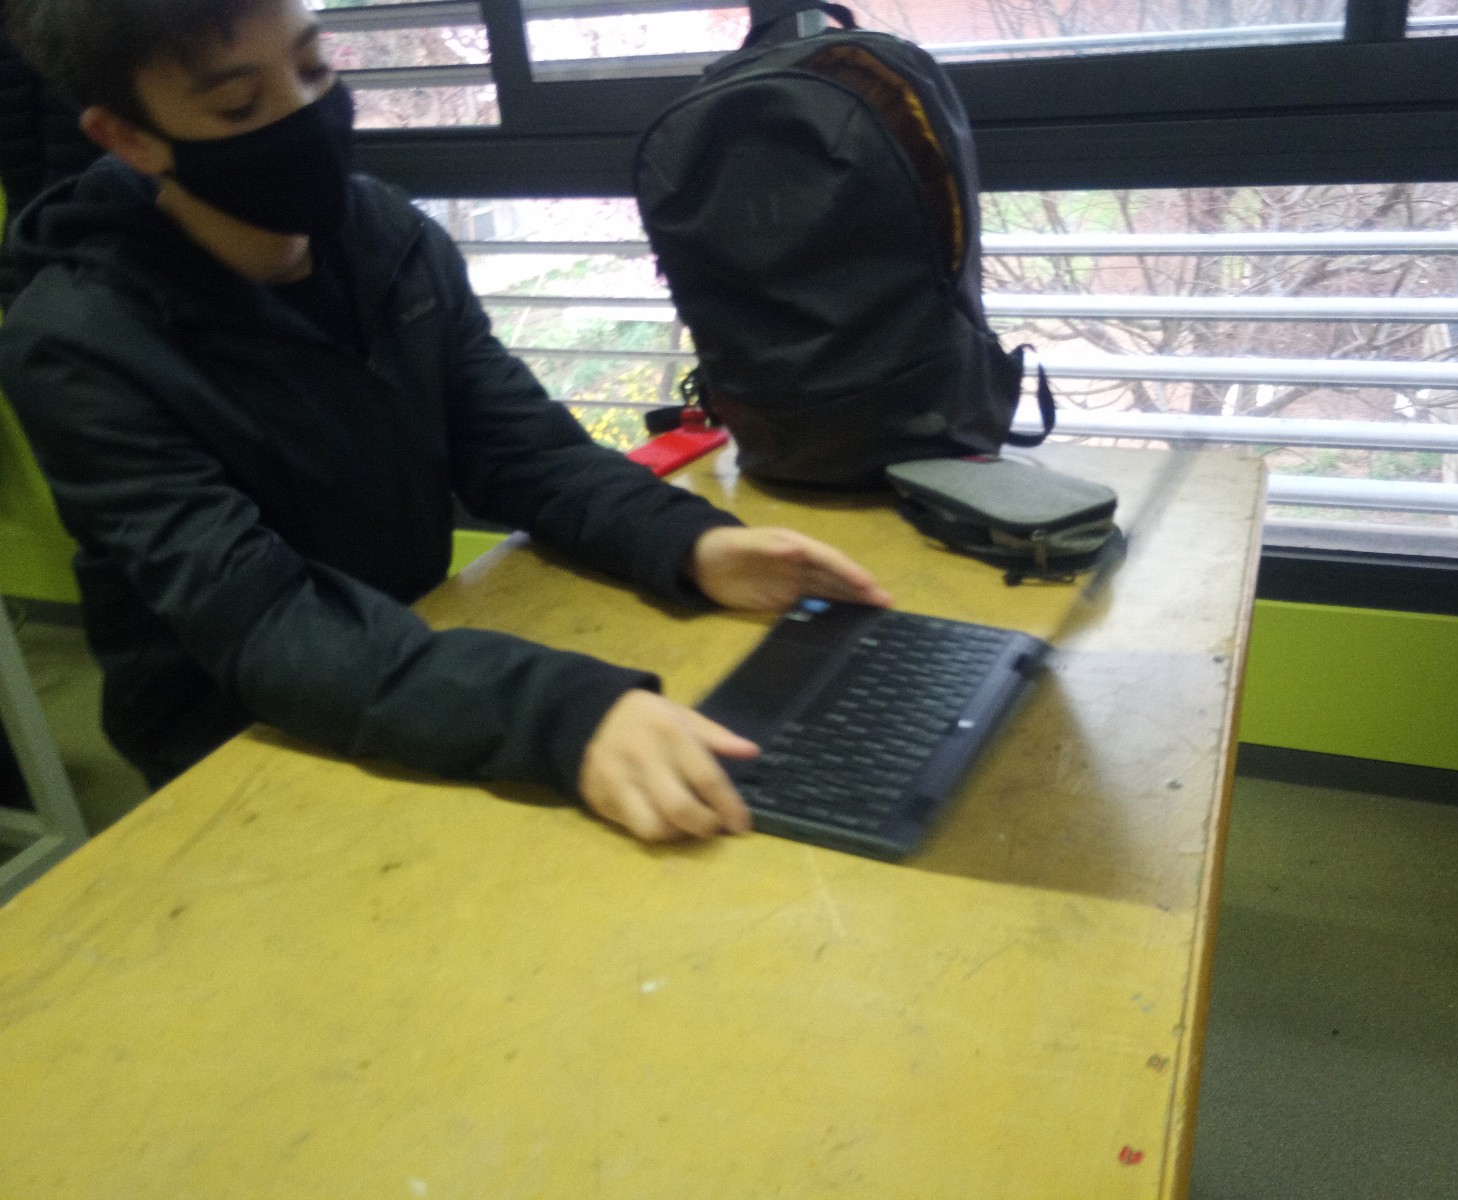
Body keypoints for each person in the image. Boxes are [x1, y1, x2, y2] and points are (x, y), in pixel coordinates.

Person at [0, 0, 891, 844]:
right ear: (129, 138)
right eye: (241, 104)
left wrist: (690, 543)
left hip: (420, 663)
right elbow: (263, 625)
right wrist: (567, 712)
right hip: (237, 740)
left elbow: (517, 446)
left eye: (313, 68)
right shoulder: (78, 346)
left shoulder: (384, 234)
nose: (305, 115)